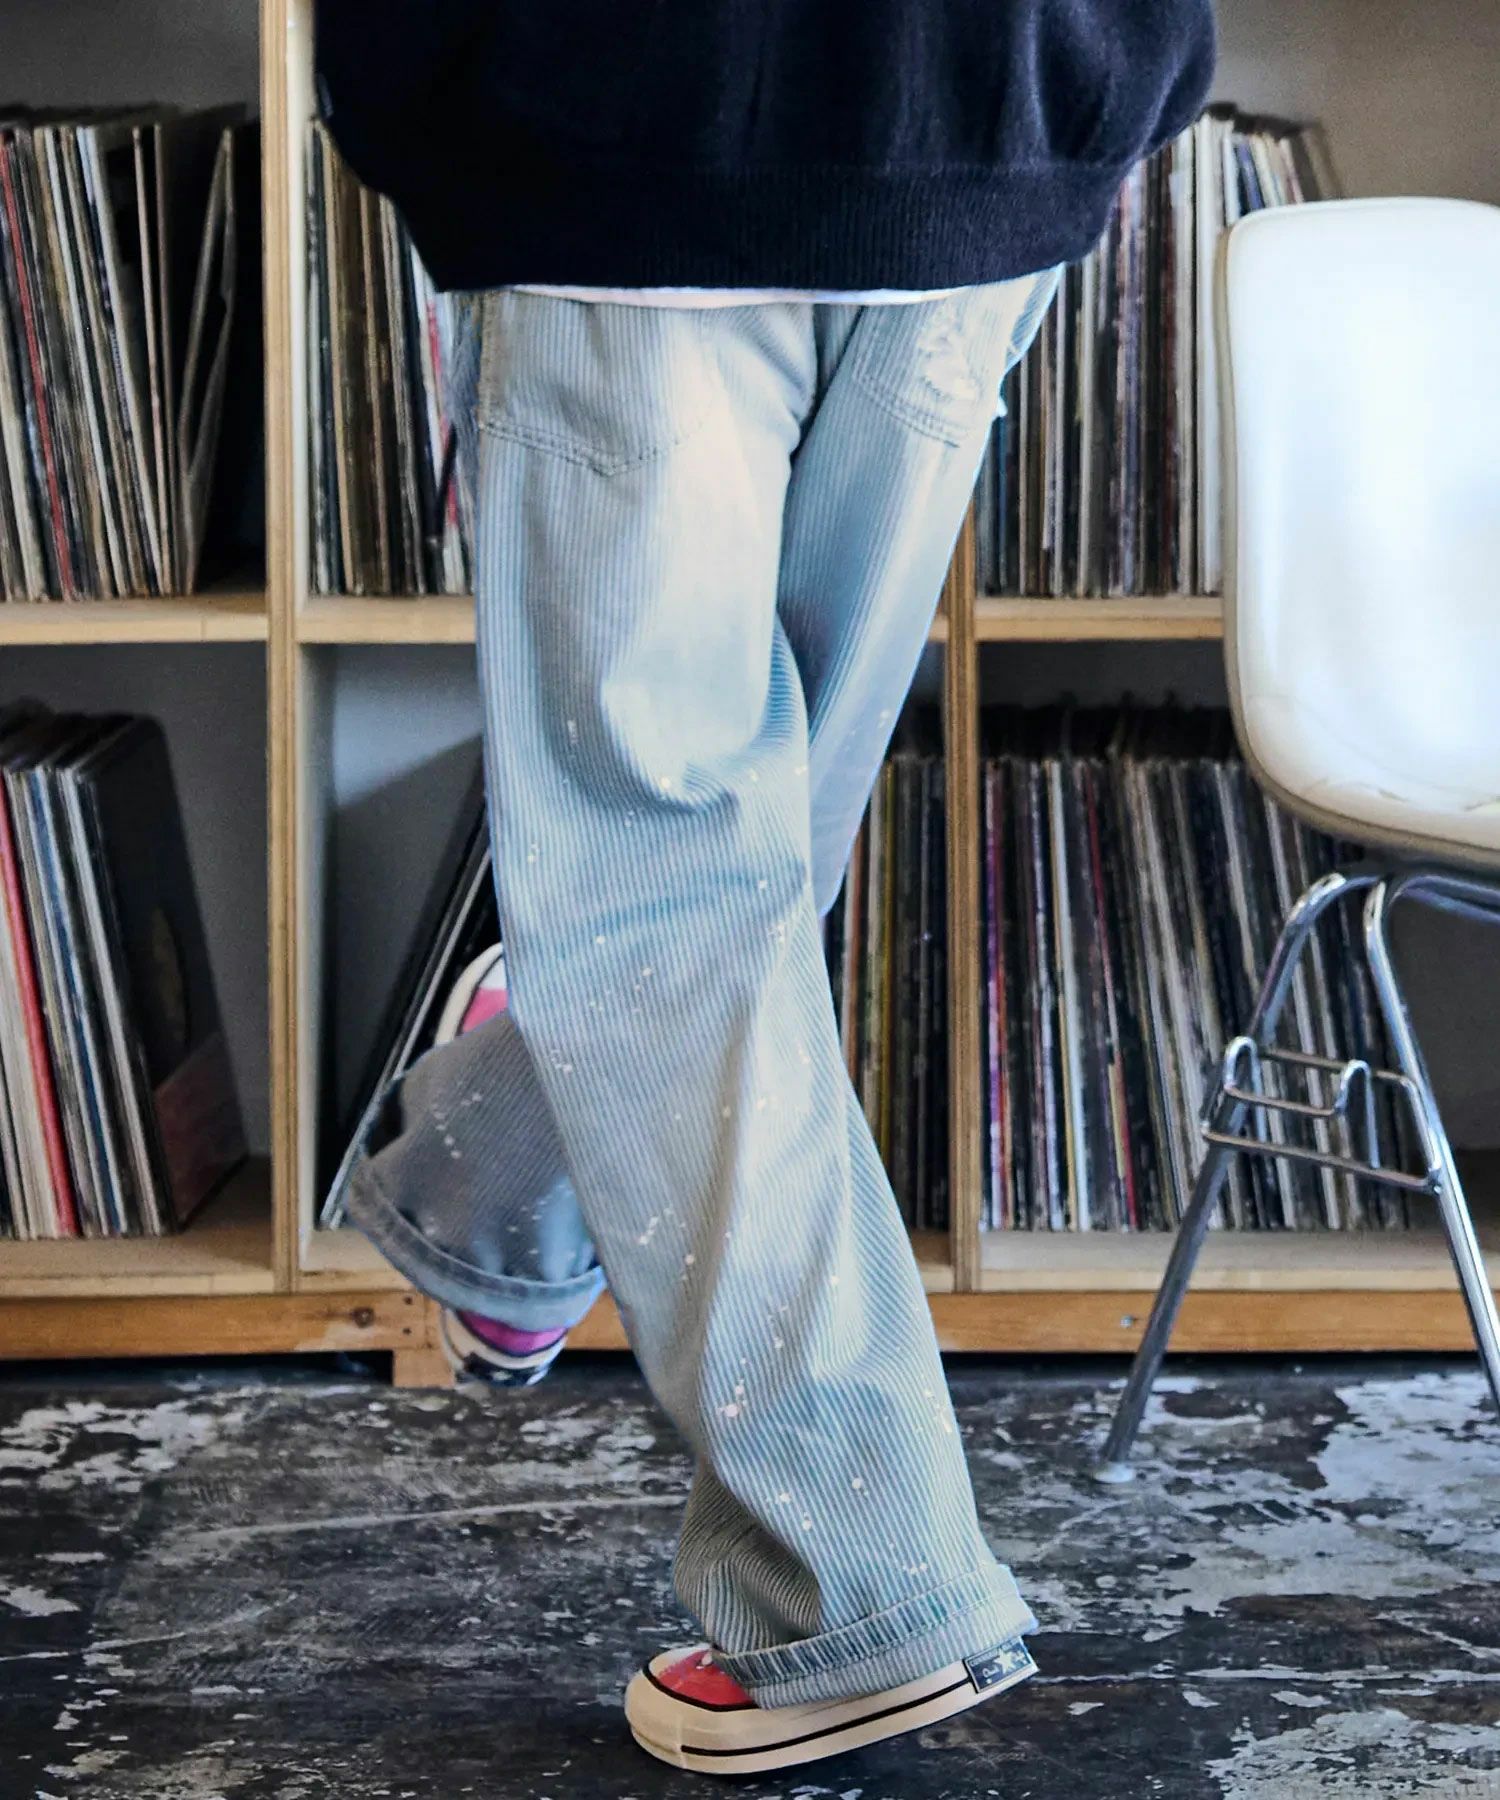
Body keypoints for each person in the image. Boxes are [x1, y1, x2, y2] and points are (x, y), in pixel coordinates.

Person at [317, 0, 1215, 1776]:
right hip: (994, 90)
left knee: (666, 875)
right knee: (738, 843)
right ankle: (510, 1183)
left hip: (632, 107)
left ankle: (858, 1589)